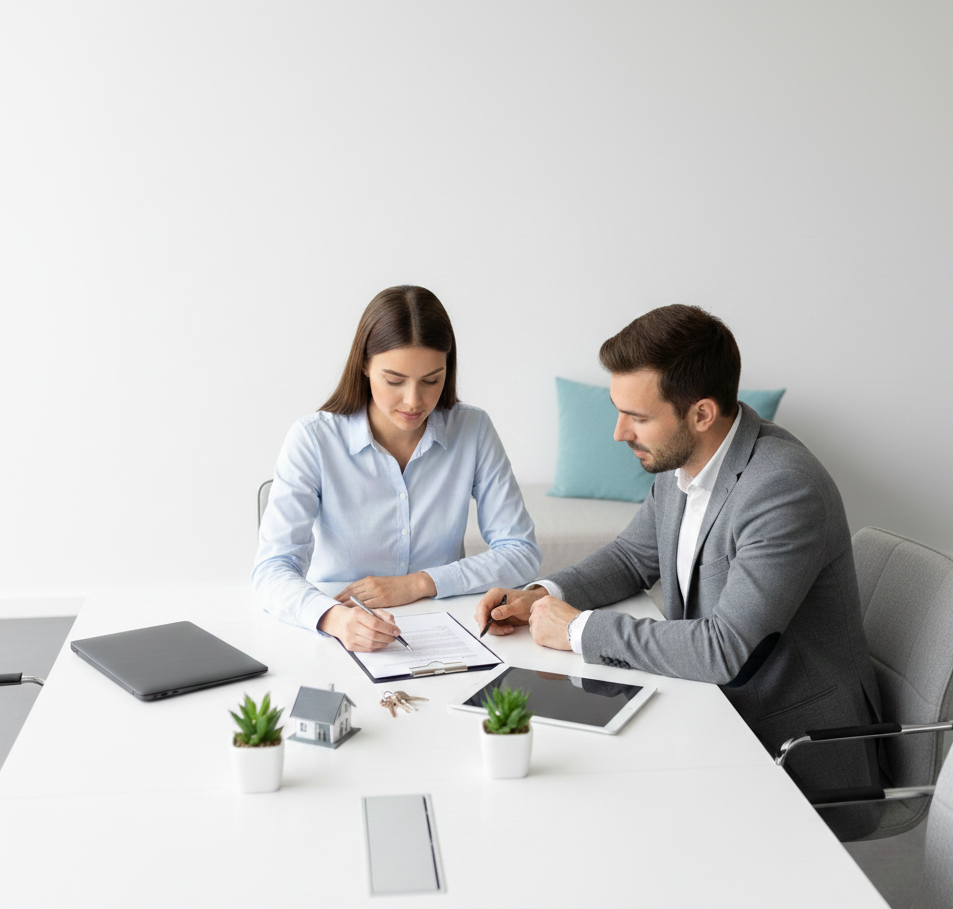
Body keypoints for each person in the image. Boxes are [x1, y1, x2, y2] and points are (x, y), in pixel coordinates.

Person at [474, 304, 882, 840]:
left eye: (638, 417)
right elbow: (629, 559)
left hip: (787, 748)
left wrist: (577, 629)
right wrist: (540, 594)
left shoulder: (783, 488)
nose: (619, 432)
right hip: (714, 710)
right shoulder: (684, 463)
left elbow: (722, 649)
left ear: (702, 414)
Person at [254, 285, 541, 652]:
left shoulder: (473, 429)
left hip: (447, 629)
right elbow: (272, 568)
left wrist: (418, 583)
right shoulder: (313, 439)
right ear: (364, 365)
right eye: (394, 381)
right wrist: (334, 618)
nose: (414, 401)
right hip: (340, 632)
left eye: (431, 380)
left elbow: (521, 550)